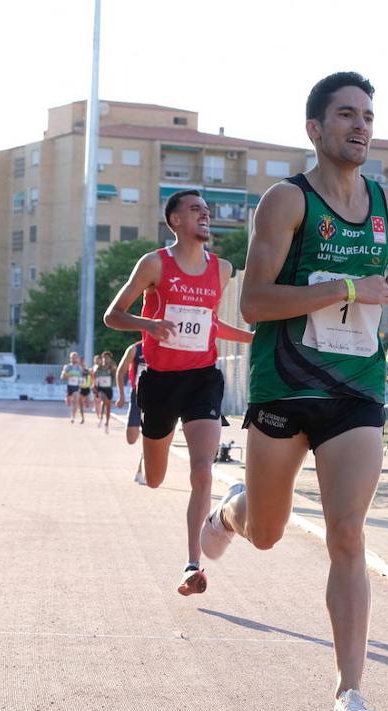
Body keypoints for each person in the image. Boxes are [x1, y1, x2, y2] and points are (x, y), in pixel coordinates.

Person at [197, 73, 388, 711]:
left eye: (368, 116)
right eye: (346, 115)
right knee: (266, 531)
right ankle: (231, 513)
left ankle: (349, 691)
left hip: (355, 388)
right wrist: (351, 284)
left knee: (346, 532)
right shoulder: (285, 202)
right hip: (286, 386)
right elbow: (255, 303)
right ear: (315, 130)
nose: (360, 126)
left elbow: (381, 287)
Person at [103, 188, 254, 597]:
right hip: (161, 383)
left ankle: (193, 564)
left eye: (206, 210)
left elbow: (211, 325)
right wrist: (149, 325)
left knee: (203, 469)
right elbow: (112, 315)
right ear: (176, 221)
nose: (204, 214)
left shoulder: (221, 269)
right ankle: (152, 448)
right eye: (195, 210)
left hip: (202, 377)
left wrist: (254, 338)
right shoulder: (154, 263)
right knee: (154, 479)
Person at [114, 341, 147, 484]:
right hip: (137, 395)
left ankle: (143, 467)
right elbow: (120, 371)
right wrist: (121, 395)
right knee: (131, 438)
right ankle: (144, 454)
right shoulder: (134, 349)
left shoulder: (166, 348)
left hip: (158, 397)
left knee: (150, 435)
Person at [60, 352, 87, 424]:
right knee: (69, 403)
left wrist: (81, 381)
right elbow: (62, 377)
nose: (74, 359)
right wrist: (68, 375)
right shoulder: (67, 367)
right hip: (69, 386)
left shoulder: (80, 368)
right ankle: (67, 399)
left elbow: (82, 378)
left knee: (75, 401)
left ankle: (73, 417)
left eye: (75, 357)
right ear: (70, 358)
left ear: (77, 358)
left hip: (76, 386)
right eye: (72, 357)